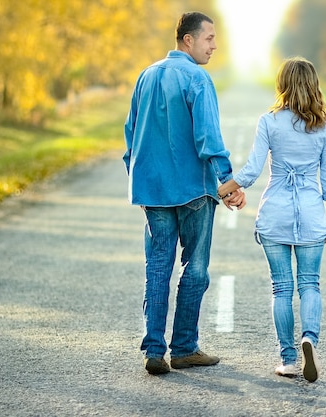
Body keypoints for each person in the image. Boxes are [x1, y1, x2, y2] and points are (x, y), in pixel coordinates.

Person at [123, 11, 246, 375]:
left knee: (158, 266)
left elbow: (130, 135)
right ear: (188, 40)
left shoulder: (146, 76)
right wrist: (226, 182)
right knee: (196, 268)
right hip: (194, 190)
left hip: (153, 191)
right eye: (209, 38)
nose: (214, 45)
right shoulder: (197, 78)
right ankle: (184, 348)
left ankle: (154, 350)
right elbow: (208, 138)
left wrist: (139, 175)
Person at [217, 57, 326, 382]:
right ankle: (309, 338)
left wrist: (221, 190)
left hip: (275, 214)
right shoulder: (324, 126)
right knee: (310, 283)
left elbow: (252, 170)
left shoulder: (269, 121)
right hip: (312, 214)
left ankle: (287, 359)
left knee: (281, 288)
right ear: (314, 85)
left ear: (281, 84)